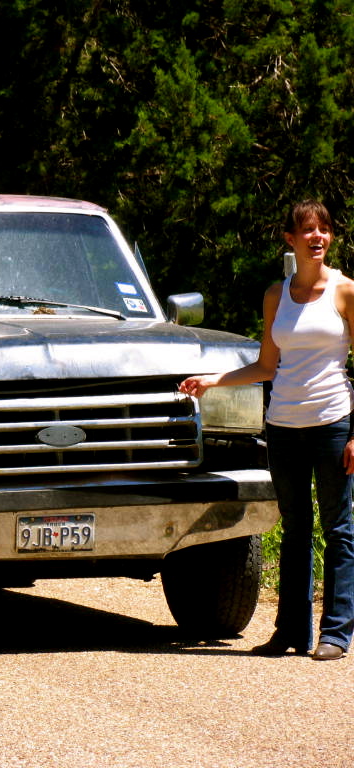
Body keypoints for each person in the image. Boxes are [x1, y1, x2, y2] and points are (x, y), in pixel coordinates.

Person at [179, 199, 354, 661]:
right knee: (295, 529)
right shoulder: (276, 296)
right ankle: (291, 631)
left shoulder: (345, 292)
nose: (317, 236)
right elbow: (265, 365)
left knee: (339, 529)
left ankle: (336, 632)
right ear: (290, 239)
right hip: (283, 427)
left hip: (332, 423)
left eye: (324, 230)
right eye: (307, 230)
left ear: (330, 238)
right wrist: (213, 380)